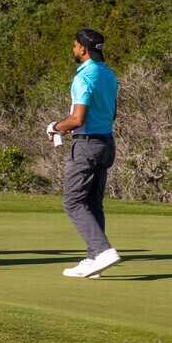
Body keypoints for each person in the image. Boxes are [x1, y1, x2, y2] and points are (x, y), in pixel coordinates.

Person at [49, 27, 120, 277]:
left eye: (75, 44)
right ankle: (94, 260)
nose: (73, 48)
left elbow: (77, 118)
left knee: (72, 201)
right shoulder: (108, 74)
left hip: (87, 146)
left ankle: (102, 251)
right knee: (92, 202)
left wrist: (56, 126)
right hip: (106, 144)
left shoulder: (84, 76)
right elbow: (111, 114)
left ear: (82, 48)